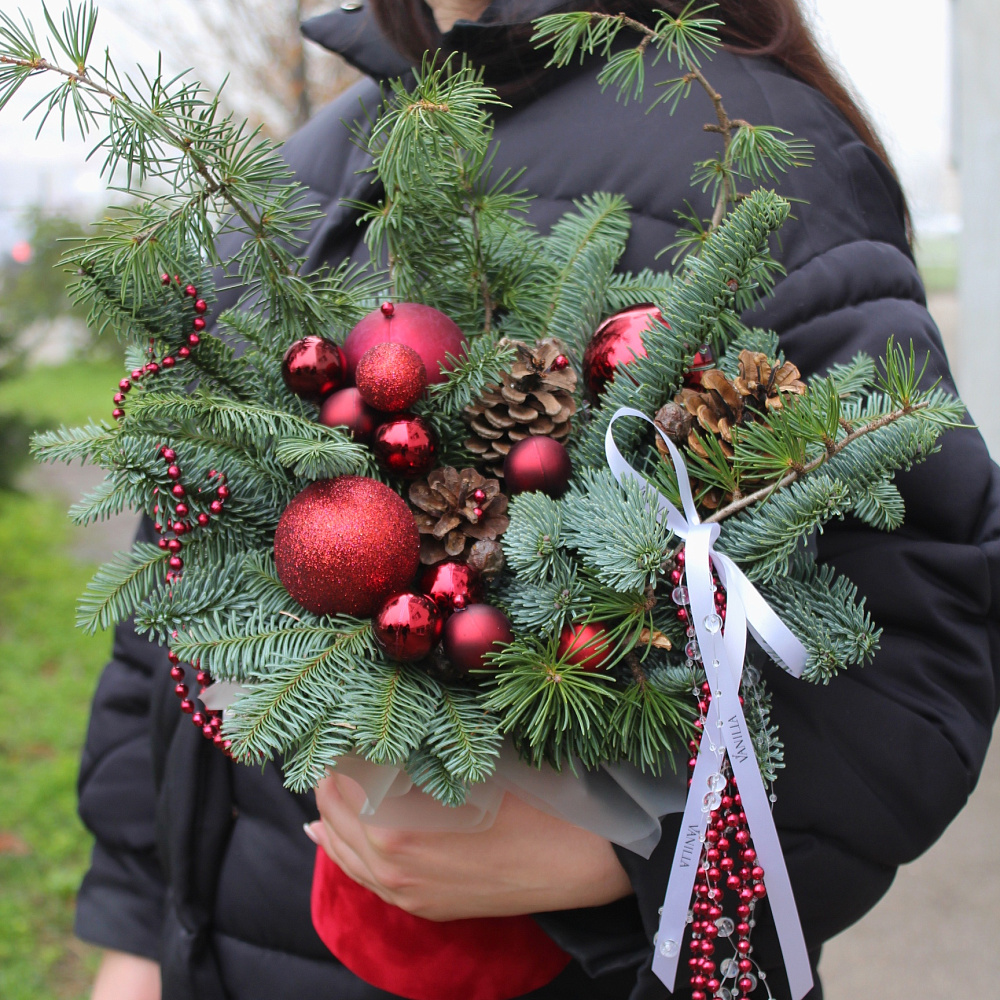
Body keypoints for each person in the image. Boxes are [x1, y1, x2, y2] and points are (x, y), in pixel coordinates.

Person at [76, 2, 1000, 998]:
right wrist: (137, 923)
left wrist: (625, 861)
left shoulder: (746, 153)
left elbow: (917, 632)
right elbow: (172, 580)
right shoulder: (308, 167)